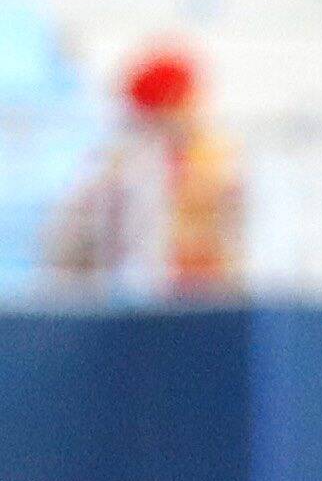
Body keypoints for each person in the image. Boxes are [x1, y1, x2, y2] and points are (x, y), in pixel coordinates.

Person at [42, 44, 240, 297]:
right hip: (127, 305)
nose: (194, 113)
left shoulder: (216, 163)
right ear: (169, 104)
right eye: (186, 101)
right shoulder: (114, 168)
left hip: (202, 304)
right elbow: (65, 250)